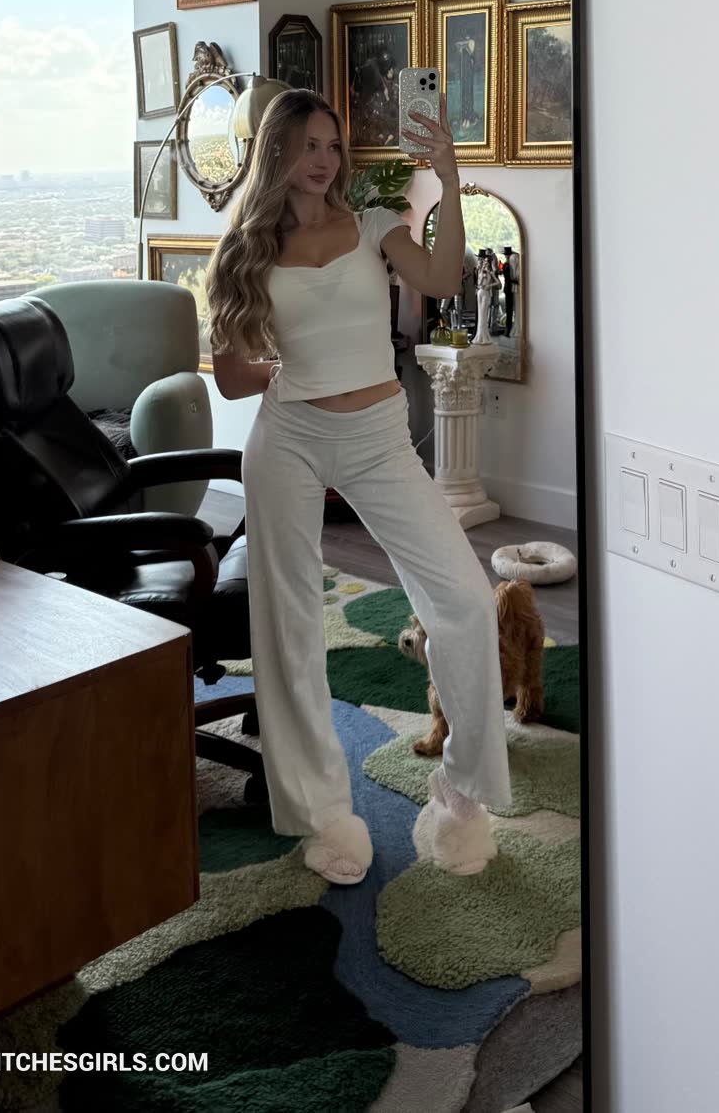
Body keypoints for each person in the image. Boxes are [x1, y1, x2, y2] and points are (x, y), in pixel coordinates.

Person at [207, 87, 512, 886]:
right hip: (288, 440)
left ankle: (462, 790)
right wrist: (294, 368)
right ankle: (321, 811)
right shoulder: (245, 247)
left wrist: (448, 178)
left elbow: (440, 277)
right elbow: (233, 379)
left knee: (464, 600)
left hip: (378, 438)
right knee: (289, 624)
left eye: (333, 145)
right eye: (308, 144)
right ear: (276, 150)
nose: (323, 160)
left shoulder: (374, 226)